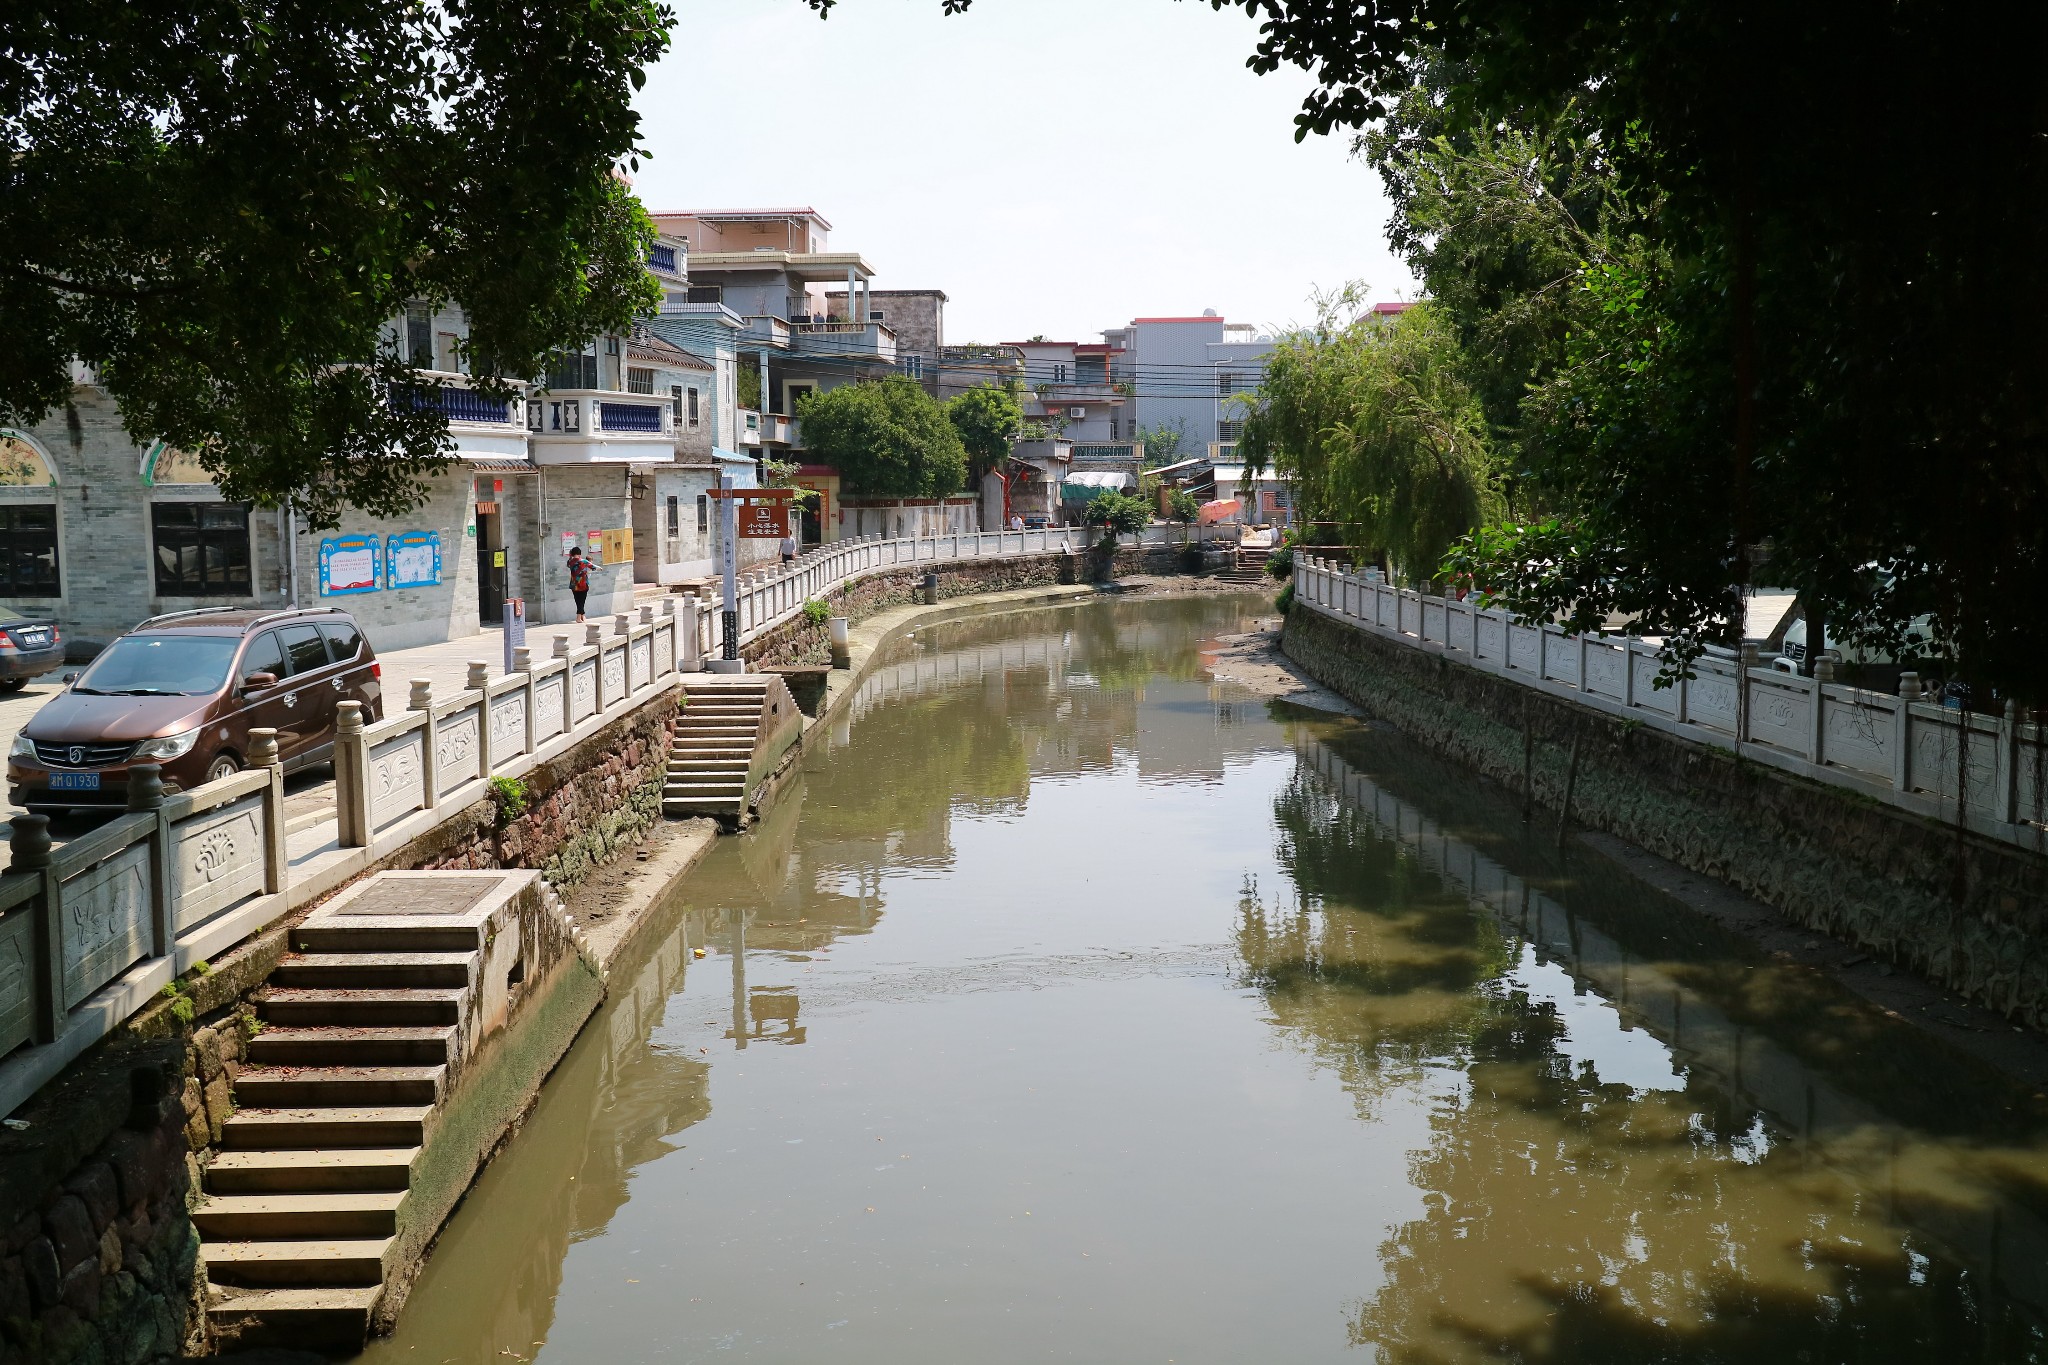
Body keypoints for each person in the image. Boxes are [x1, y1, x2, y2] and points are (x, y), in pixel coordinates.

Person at [566, 546, 590, 622]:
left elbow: (569, 563)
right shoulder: (584, 561)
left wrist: (570, 556)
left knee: (577, 600)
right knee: (582, 600)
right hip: (583, 583)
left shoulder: (570, 562)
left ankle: (582, 615)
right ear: (579, 553)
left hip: (574, 584)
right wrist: (599, 568)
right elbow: (592, 567)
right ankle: (578, 617)